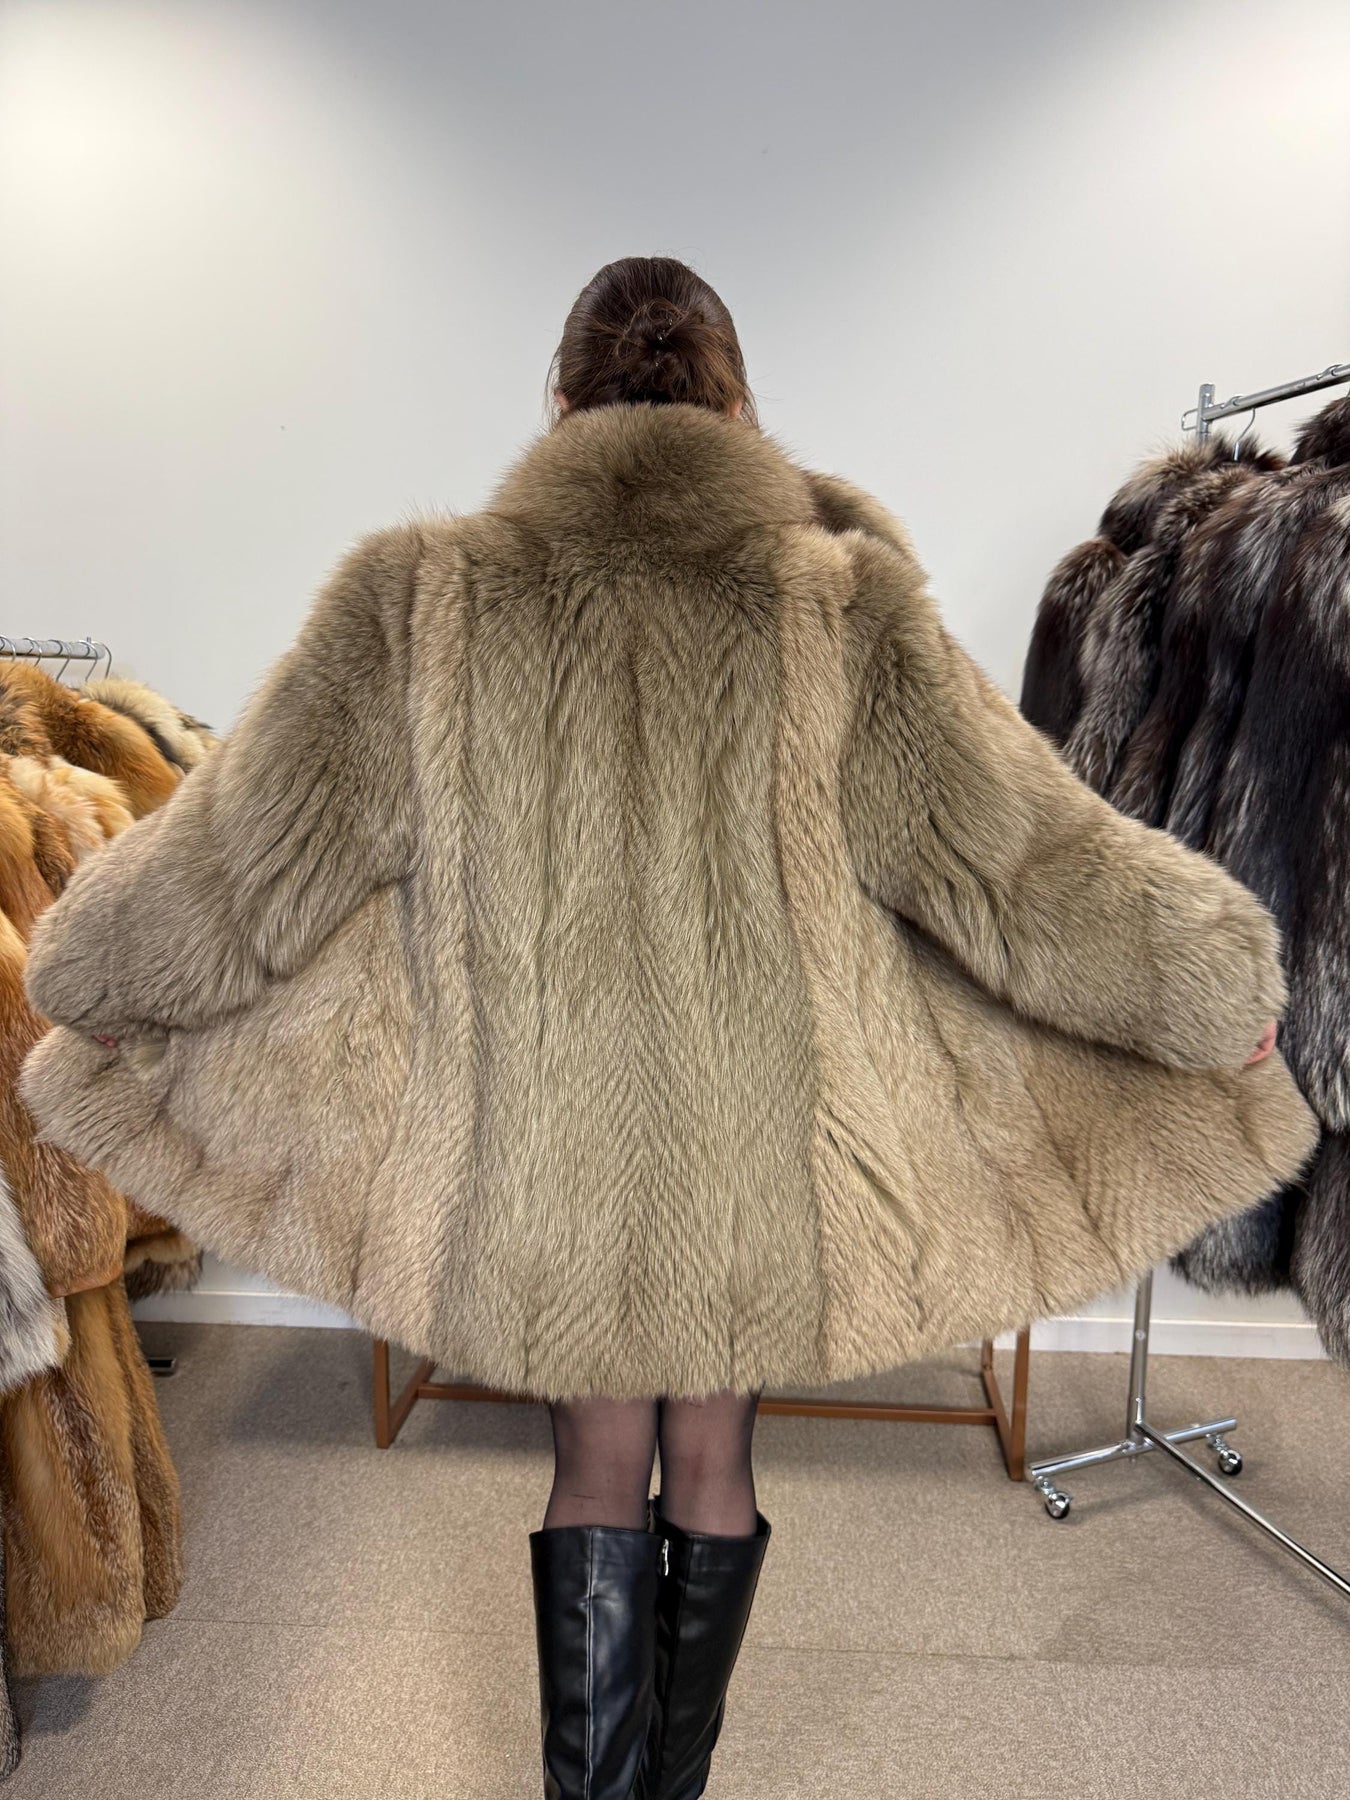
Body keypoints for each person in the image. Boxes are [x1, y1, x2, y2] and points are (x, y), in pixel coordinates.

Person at [21, 256, 1311, 1799]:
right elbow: (1021, 866)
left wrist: (84, 973)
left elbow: (244, 863)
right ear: (737, 407)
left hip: (535, 1148)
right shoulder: (838, 605)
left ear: (560, 401)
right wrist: (1214, 984)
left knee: (591, 1459)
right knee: (710, 1457)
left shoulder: (418, 601)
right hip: (757, 1151)